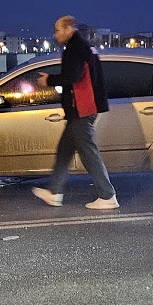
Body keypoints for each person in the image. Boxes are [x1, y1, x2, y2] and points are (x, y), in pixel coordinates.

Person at [31, 15, 119, 211]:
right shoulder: (82, 46)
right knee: (64, 151)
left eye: (58, 30)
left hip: (81, 109)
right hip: (80, 109)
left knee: (89, 153)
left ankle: (107, 195)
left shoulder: (75, 48)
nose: (56, 35)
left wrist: (50, 80)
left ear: (69, 28)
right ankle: (54, 192)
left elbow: (74, 75)